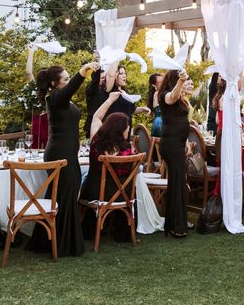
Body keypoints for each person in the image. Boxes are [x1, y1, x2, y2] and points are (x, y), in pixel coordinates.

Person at [27, 61, 99, 257]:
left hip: (67, 152)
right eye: (65, 79)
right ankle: (64, 244)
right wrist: (82, 71)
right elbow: (73, 87)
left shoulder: (62, 99)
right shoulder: (55, 98)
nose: (68, 83)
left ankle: (47, 241)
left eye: (68, 79)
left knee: (60, 195)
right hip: (60, 153)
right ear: (53, 83)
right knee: (65, 196)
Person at [81, 92, 134, 242]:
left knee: (87, 179)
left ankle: (89, 230)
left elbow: (96, 117)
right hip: (124, 194)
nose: (128, 129)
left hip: (96, 192)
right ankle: (122, 232)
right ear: (121, 130)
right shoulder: (129, 150)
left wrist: (110, 100)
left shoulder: (96, 140)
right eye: (127, 127)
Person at [158, 68, 192, 238]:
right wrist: (180, 81)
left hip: (178, 143)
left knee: (177, 182)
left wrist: (185, 142)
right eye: (181, 81)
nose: (185, 84)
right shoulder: (165, 95)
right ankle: (176, 225)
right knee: (177, 182)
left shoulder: (181, 99)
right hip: (170, 145)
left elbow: (182, 120)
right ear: (174, 80)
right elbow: (171, 97)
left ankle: (174, 223)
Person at [25, 44, 48, 148]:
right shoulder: (38, 90)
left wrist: (31, 52)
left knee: (36, 147)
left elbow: (29, 73)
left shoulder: (55, 91)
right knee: (38, 145)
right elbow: (29, 73)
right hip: (41, 120)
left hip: (42, 120)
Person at [147, 73, 163, 138]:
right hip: (160, 123)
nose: (163, 84)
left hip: (158, 122)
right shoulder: (157, 94)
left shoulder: (159, 94)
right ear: (154, 85)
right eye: (160, 82)